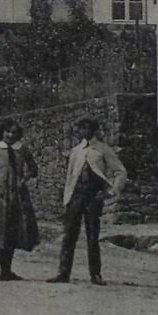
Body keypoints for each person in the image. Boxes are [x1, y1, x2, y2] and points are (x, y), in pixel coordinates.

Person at [47, 114, 127, 286]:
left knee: (92, 235)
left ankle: (95, 274)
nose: (84, 131)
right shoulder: (76, 151)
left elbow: (120, 171)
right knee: (69, 235)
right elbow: (70, 177)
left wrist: (111, 191)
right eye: (81, 128)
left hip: (93, 196)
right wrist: (67, 199)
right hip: (76, 196)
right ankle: (63, 273)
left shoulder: (103, 149)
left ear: (94, 129)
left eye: (88, 127)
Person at [0, 120, 40, 280]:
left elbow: (33, 169)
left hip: (18, 196)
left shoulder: (22, 149)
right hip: (1, 196)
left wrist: (23, 178)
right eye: (7, 132)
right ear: (2, 132)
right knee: (2, 230)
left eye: (14, 132)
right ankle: (3, 270)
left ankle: (8, 269)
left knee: (14, 229)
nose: (10, 135)